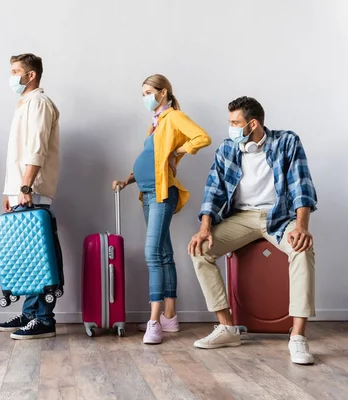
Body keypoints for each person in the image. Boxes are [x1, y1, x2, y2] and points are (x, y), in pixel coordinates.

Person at [188, 96, 317, 365]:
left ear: (253, 123)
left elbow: (301, 186)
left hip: (279, 216)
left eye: (235, 123)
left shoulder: (287, 142)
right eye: (230, 122)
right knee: (200, 250)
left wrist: (302, 227)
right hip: (242, 217)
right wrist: (204, 228)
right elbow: (214, 190)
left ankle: (298, 336)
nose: (231, 128)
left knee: (302, 250)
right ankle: (227, 327)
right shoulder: (227, 149)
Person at [112, 74, 212, 344]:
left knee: (152, 254)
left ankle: (154, 321)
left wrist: (178, 151)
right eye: (142, 93)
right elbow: (150, 159)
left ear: (163, 92)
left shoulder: (174, 117)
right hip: (146, 192)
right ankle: (170, 316)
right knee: (164, 253)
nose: (145, 97)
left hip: (161, 192)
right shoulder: (156, 124)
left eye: (148, 92)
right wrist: (128, 180)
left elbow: (202, 137)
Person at [0, 53, 62, 340]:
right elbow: (16, 155)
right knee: (25, 255)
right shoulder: (25, 104)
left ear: (30, 75)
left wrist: (25, 187)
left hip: (31, 191)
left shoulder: (39, 104)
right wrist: (10, 191)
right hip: (20, 190)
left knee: (38, 255)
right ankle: (31, 312)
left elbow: (36, 149)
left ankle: (45, 318)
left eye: (15, 71)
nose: (12, 77)